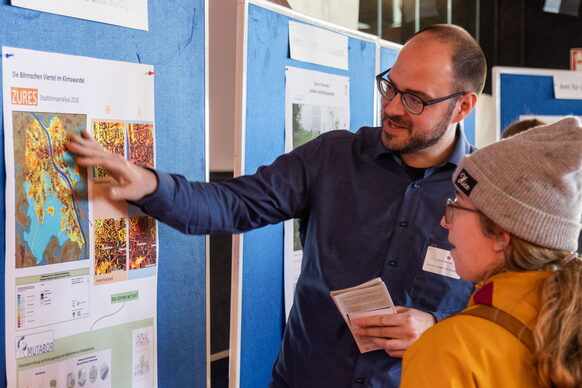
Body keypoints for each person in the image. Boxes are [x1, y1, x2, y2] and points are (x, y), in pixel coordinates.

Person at [67, 24, 486, 387]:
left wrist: (438, 327)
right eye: (390, 87)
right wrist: (147, 183)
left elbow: (512, 319)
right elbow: (235, 204)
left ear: (462, 106)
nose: (392, 107)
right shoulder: (333, 157)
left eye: (415, 99)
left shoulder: (489, 194)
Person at [399, 116, 582, 388]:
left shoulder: (453, 350)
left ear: (500, 234)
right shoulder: (568, 331)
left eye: (457, 206)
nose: (444, 221)